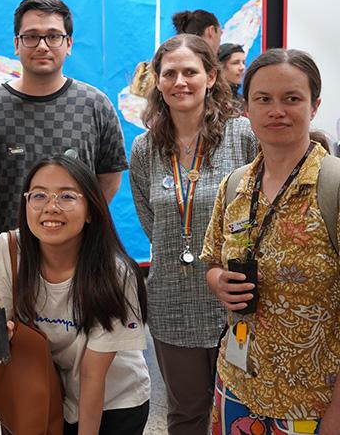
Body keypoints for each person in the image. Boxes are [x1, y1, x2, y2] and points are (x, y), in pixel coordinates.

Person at [202, 48, 340, 434]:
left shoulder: (334, 188)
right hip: (236, 386)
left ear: (314, 107)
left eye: (291, 99)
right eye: (263, 99)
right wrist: (219, 284)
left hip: (313, 400)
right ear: (246, 108)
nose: (276, 110)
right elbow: (212, 261)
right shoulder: (234, 186)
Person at [128, 34, 257, 435]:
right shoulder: (144, 149)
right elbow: (154, 224)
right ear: (158, 82)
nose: (179, 81)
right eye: (170, 73)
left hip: (236, 299)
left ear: (211, 76)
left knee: (243, 410)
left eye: (190, 72)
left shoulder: (243, 136)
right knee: (186, 413)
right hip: (172, 302)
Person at [0, 0, 128, 277]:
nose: (42, 46)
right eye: (31, 36)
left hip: (80, 264)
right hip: (11, 266)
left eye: (53, 36)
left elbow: (109, 178)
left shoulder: (95, 105)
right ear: (16, 45)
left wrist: (74, 222)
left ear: (69, 44)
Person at [0, 155, 149, 435]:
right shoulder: (8, 251)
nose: (50, 207)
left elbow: (93, 376)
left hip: (111, 403)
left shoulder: (115, 274)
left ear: (91, 209)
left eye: (66, 196)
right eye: (39, 195)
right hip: (39, 390)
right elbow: (3, 329)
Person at [218, 43, 246, 112]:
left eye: (243, 62)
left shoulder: (243, 100)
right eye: (236, 63)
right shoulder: (211, 100)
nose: (242, 67)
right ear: (220, 66)